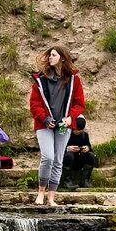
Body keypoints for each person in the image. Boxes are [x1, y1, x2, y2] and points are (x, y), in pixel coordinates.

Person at [30, 47, 86, 206]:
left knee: (58, 160)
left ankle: (51, 197)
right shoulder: (40, 79)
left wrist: (70, 118)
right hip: (44, 124)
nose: (50, 58)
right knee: (48, 157)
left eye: (53, 55)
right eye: (49, 55)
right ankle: (41, 192)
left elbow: (79, 103)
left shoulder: (74, 80)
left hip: (63, 125)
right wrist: (45, 118)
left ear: (62, 58)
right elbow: (34, 105)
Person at [62, 115, 96, 189]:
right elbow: (58, 149)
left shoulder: (84, 135)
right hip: (67, 160)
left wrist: (87, 148)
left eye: (79, 130)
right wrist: (68, 148)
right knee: (69, 155)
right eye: (75, 129)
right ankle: (66, 181)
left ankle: (84, 181)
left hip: (79, 159)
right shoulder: (66, 134)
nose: (77, 132)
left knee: (91, 156)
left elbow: (89, 147)